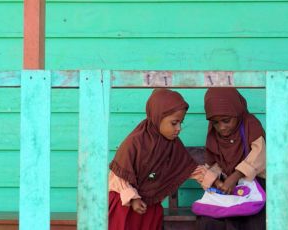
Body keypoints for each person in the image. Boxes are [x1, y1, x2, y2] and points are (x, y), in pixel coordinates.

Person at [108, 88, 205, 230]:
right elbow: (118, 175)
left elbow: (188, 168)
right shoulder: (135, 142)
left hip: (150, 207)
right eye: (174, 123)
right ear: (158, 117)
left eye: (181, 123)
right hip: (125, 205)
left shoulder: (173, 144)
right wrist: (133, 198)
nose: (178, 128)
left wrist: (213, 181)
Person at [197, 87, 266, 230]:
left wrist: (236, 176)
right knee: (210, 220)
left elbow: (260, 154)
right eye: (215, 122)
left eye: (226, 120)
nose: (221, 127)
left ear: (237, 111)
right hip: (226, 187)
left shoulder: (250, 124)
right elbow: (213, 163)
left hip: (253, 184)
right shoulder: (213, 133)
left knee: (252, 219)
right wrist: (217, 181)